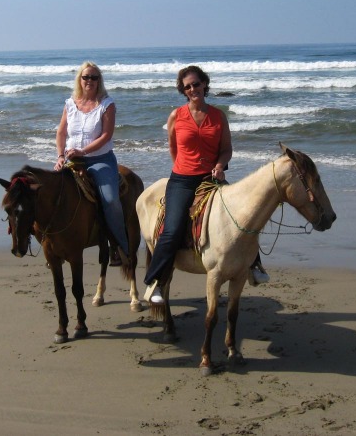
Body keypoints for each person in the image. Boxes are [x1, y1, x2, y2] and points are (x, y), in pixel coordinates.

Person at [144, 65, 269, 305]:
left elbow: (226, 149)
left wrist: (220, 166)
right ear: (183, 90)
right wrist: (182, 168)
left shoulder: (218, 116)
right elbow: (173, 148)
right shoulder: (176, 116)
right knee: (171, 228)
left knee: (244, 217)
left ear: (204, 84)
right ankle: (156, 281)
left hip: (211, 178)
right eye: (188, 86)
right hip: (181, 179)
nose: (193, 89)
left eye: (196, 84)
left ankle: (254, 265)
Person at [54, 61, 129, 263]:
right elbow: (61, 132)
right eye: (86, 77)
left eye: (94, 77)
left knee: (111, 199)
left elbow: (106, 136)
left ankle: (119, 246)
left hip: (100, 160)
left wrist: (83, 150)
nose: (90, 81)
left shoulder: (107, 104)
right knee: (51, 193)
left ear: (99, 81)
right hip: (72, 160)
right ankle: (54, 244)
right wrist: (60, 156)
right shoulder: (71, 103)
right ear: (80, 79)